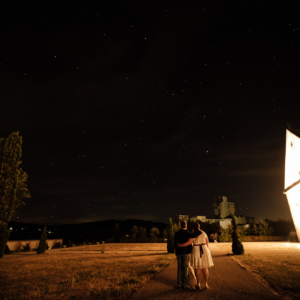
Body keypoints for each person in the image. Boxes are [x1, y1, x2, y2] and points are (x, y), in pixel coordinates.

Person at [177, 222, 214, 289]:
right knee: (205, 268)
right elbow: (207, 242)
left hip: (196, 250)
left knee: (197, 268)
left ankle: (198, 284)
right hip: (204, 249)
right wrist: (207, 251)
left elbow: (188, 243)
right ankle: (206, 284)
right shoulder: (203, 233)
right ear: (199, 227)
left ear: (193, 227)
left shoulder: (193, 234)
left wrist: (180, 245)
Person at [174, 221, 201, 289]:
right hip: (185, 252)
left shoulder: (176, 233)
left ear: (181, 226)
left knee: (179, 268)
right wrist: (200, 230)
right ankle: (185, 284)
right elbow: (195, 235)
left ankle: (179, 283)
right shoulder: (188, 233)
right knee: (185, 268)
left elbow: (174, 243)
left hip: (179, 253)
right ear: (186, 226)